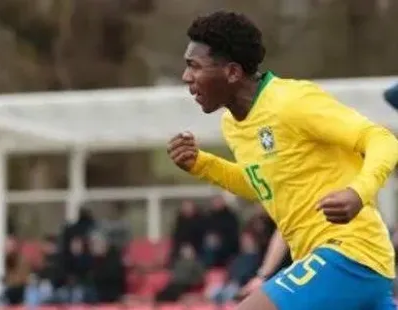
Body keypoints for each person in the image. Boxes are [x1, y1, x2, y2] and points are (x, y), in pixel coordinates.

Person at [167, 11, 398, 310]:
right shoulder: (233, 125)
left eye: (194, 66)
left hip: (350, 254)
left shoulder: (292, 101)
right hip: (335, 264)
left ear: (233, 72)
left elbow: (382, 139)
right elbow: (265, 186)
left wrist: (358, 192)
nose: (186, 77)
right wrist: (202, 164)